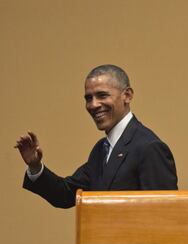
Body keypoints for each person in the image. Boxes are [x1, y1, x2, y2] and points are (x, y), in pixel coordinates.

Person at [15, 64, 178, 208]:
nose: (93, 105)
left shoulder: (149, 147)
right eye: (88, 98)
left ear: (127, 96)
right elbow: (65, 195)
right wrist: (35, 166)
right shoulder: (101, 149)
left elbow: (163, 216)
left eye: (102, 95)